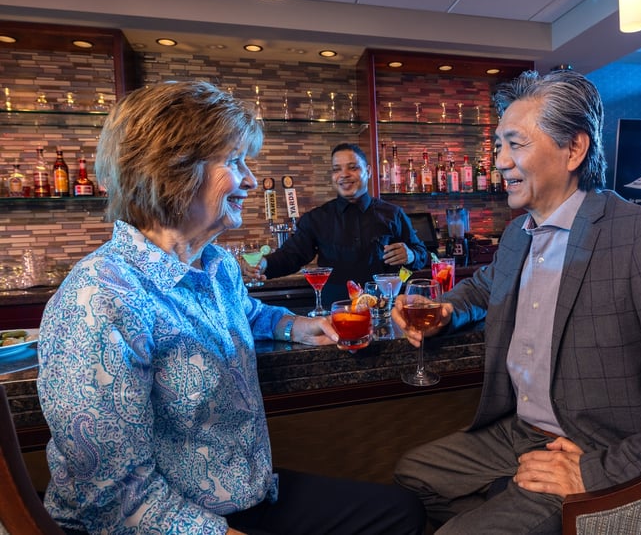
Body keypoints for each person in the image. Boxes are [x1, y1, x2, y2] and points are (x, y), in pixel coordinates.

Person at [36, 81, 426, 535]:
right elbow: (114, 500)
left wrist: (298, 325)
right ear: (173, 169)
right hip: (162, 522)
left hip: (243, 494)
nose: (251, 180)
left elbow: (249, 313)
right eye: (234, 161)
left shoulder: (216, 263)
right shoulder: (98, 299)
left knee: (401, 513)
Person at [390, 69, 641, 533]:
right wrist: (446, 310)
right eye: (497, 147)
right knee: (413, 475)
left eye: (516, 144)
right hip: (523, 432)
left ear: (573, 149)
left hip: (595, 446)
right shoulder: (517, 235)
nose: (499, 162)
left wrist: (597, 472)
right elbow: (485, 287)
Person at [252, 143, 428, 306]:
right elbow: (291, 255)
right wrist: (264, 264)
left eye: (353, 167)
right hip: (335, 316)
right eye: (337, 169)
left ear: (368, 171)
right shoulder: (316, 218)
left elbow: (423, 254)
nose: (344, 175)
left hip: (384, 311)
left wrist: (411, 255)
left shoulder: (393, 213)